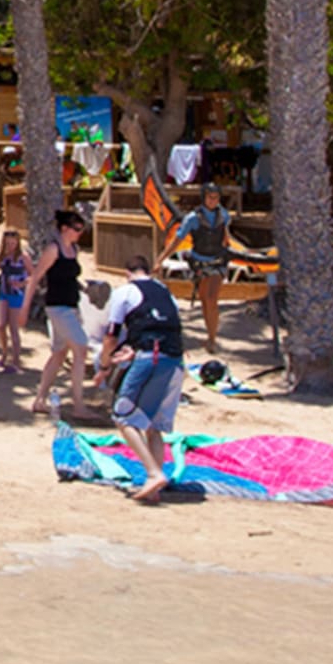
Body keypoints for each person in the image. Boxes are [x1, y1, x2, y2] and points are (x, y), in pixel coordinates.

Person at [97, 252, 188, 503]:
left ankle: (153, 474)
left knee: (123, 415)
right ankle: (154, 492)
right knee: (154, 424)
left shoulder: (124, 292)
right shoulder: (164, 290)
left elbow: (111, 334)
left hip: (152, 357)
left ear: (127, 273)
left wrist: (105, 363)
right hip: (175, 359)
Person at [21, 210, 91, 417]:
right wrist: (25, 309)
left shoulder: (74, 250)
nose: (80, 233)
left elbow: (70, 278)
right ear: (65, 229)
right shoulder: (53, 249)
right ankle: (79, 405)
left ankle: (39, 399)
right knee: (81, 348)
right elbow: (35, 278)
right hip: (57, 307)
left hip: (72, 305)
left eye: (81, 229)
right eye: (77, 229)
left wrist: (87, 290)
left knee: (59, 354)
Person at [176, 184, 233, 350]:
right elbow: (178, 239)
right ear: (204, 197)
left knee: (211, 299)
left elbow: (226, 235)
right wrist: (161, 258)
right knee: (204, 299)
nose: (213, 200)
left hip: (217, 261)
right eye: (210, 197)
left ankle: (213, 340)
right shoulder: (192, 218)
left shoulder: (223, 215)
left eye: (216, 197)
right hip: (199, 262)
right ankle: (210, 336)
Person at [0, 229, 32, 373]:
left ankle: (16, 361)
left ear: (17, 242)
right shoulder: (3, 256)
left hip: (16, 294)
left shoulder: (23, 257)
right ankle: (4, 355)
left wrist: (21, 284)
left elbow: (33, 276)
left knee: (13, 328)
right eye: (7, 243)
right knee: (1, 326)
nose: (10, 246)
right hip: (4, 293)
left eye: (13, 243)